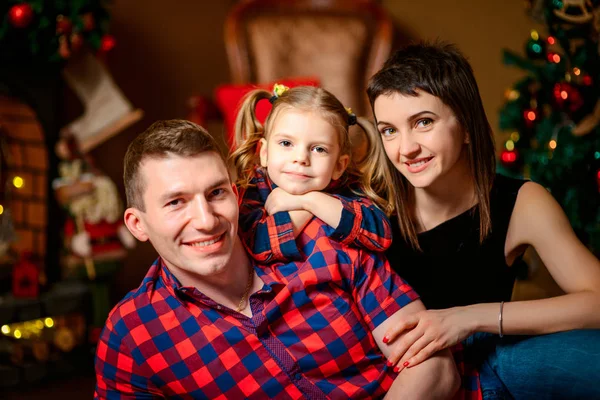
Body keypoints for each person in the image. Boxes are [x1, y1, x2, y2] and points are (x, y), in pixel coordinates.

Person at [93, 119, 466, 399]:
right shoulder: (133, 333)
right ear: (137, 224)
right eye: (176, 203)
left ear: (236, 193)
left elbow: (434, 366)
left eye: (217, 193)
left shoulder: (324, 239)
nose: (206, 220)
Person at [367, 41, 600, 399]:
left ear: (466, 127)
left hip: (494, 364)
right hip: (411, 380)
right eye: (389, 130)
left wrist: (466, 318)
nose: (406, 148)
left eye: (423, 122)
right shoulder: (369, 204)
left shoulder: (522, 202)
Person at [229, 85, 393, 263]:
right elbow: (255, 246)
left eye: (318, 149)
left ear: (339, 165)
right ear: (265, 153)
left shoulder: (348, 187)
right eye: (286, 143)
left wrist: (309, 201)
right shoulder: (253, 187)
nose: (301, 158)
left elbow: (381, 235)